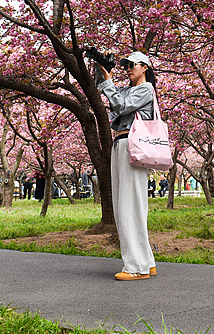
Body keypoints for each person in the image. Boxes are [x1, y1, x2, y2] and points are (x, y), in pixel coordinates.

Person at [96, 50, 158, 281]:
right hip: (122, 145)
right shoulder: (127, 90)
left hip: (131, 146)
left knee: (128, 206)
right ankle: (146, 262)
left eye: (133, 65)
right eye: (125, 65)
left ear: (145, 67)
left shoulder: (146, 89)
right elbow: (104, 89)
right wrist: (101, 67)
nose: (128, 69)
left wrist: (109, 82)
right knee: (128, 205)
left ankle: (136, 267)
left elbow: (121, 107)